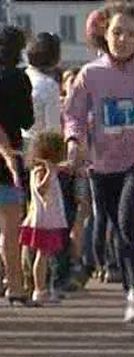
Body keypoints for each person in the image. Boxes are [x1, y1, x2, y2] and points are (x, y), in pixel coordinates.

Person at [64, 3, 134, 323]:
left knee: (128, 219)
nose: (123, 39)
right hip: (102, 163)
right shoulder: (90, 74)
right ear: (104, 33)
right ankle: (128, 283)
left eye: (130, 34)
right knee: (116, 228)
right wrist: (74, 142)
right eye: (117, 32)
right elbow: (73, 114)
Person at [0, 25, 35, 306]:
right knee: (10, 229)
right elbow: (27, 120)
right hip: (9, 158)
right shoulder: (18, 78)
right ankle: (14, 285)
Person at [19, 132, 69, 305]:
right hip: (43, 219)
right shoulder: (41, 171)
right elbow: (41, 189)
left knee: (45, 255)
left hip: (47, 218)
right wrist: (50, 172)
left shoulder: (43, 168)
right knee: (42, 254)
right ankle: (39, 290)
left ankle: (42, 289)